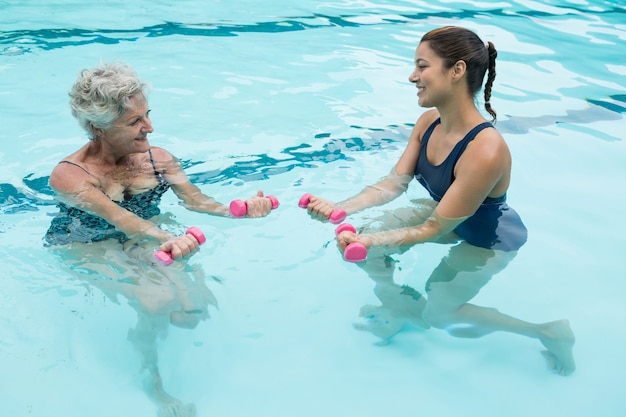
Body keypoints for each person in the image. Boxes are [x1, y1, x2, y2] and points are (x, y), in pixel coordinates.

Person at [303, 26, 576, 376]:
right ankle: (398, 303)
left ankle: (547, 331)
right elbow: (393, 182)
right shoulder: (429, 122)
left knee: (438, 313)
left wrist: (374, 241)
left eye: (422, 66)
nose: (412, 76)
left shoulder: (485, 150)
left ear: (457, 70)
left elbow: (434, 227)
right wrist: (341, 208)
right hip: (446, 214)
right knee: (354, 242)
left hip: (488, 236)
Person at [44, 62, 274, 417]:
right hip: (86, 242)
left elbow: (195, 201)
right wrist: (171, 238)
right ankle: (152, 382)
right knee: (157, 301)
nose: (149, 127)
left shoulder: (159, 158)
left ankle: (147, 333)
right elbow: (120, 218)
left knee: (193, 312)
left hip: (147, 237)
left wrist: (239, 210)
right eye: (134, 122)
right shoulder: (70, 175)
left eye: (147, 115)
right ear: (98, 128)